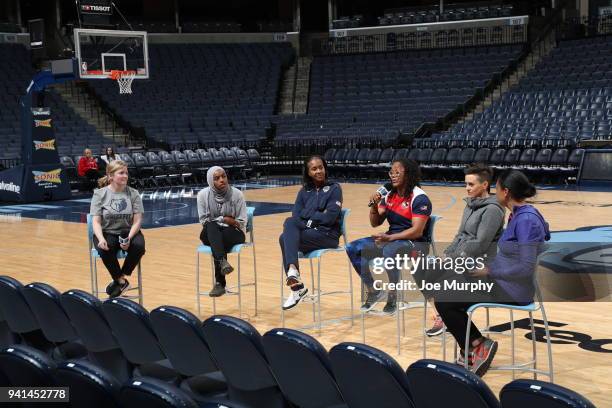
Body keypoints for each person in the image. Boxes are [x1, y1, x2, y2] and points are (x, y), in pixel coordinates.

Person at [434, 169, 550, 377]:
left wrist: (489, 269)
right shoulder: (522, 214)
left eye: (496, 188)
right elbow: (545, 232)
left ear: (505, 192)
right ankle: (472, 348)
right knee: (447, 285)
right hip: (503, 280)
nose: (494, 192)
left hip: (513, 290)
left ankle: (478, 345)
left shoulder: (525, 220)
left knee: (444, 298)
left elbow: (525, 267)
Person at [423, 164, 505, 337]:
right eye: (466, 184)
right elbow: (460, 235)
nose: (467, 188)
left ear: (484, 185)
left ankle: (449, 316)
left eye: (471, 185)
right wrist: (447, 255)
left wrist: (453, 260)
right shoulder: (470, 205)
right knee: (422, 272)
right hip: (460, 258)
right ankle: (442, 316)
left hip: (478, 264)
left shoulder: (493, 210)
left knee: (440, 282)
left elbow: (479, 243)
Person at [346, 158, 432, 315]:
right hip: (392, 238)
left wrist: (390, 239)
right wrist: (374, 206)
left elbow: (417, 231)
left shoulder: (419, 197)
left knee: (390, 251)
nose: (392, 175)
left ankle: (393, 294)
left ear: (409, 174)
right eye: (391, 172)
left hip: (415, 243)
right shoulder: (389, 195)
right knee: (353, 248)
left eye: (397, 172)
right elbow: (375, 222)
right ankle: (374, 291)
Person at [279, 155, 343, 310]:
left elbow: (330, 217)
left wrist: (308, 216)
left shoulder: (334, 188)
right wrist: (313, 218)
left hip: (328, 235)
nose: (319, 171)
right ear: (308, 172)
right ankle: (294, 278)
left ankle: (296, 286)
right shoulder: (304, 191)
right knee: (288, 225)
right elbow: (296, 215)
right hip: (310, 234)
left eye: (321, 167)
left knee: (285, 237)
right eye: (314, 169)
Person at [90, 160, 146, 298]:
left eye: (126, 173)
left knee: (139, 247)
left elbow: (137, 220)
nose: (125, 176)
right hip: (107, 232)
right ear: (110, 176)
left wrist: (129, 238)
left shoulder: (133, 193)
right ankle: (121, 281)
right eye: (121, 173)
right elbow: (96, 222)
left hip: (128, 231)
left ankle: (119, 278)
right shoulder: (99, 194)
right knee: (104, 248)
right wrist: (101, 239)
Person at [197, 166, 247, 297]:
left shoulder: (237, 194)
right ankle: (222, 262)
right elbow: (204, 221)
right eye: (217, 178)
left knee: (217, 238)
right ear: (210, 181)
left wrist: (228, 221)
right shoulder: (202, 195)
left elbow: (241, 222)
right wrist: (224, 220)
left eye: (223, 176)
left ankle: (219, 283)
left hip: (233, 232)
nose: (222, 180)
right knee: (212, 227)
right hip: (210, 231)